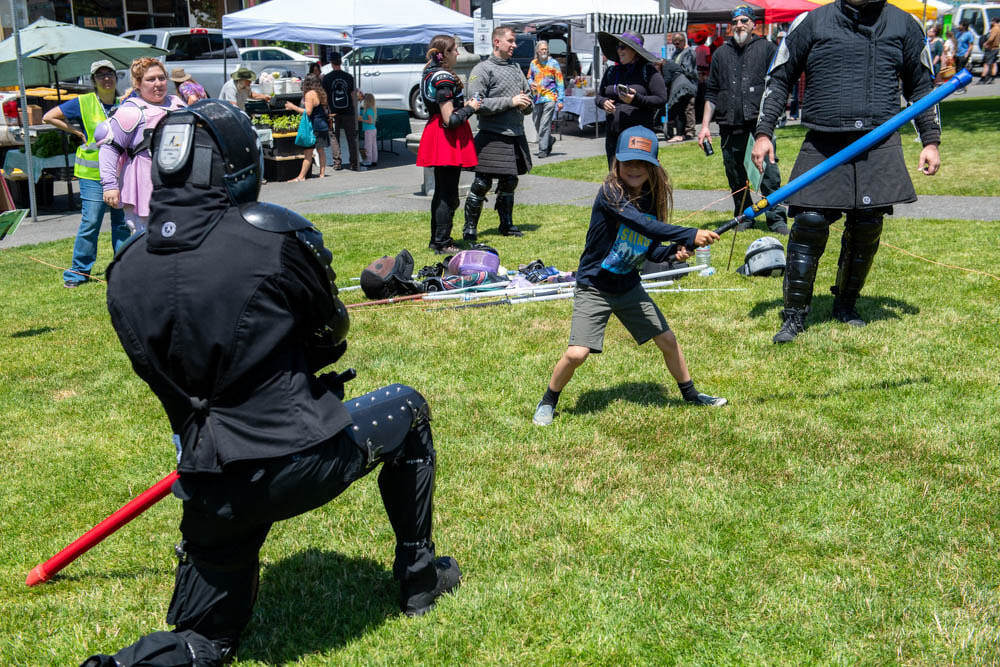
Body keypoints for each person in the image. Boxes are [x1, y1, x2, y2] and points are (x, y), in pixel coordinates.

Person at [81, 100, 461, 666]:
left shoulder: (124, 270)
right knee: (409, 408)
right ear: (237, 163)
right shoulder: (272, 241)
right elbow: (331, 336)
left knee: (205, 643)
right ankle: (419, 574)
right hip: (296, 461)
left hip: (210, 483)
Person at [752, 0, 942, 344]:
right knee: (809, 221)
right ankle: (794, 315)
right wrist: (764, 132)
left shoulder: (905, 25)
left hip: (878, 141)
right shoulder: (810, 22)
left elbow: (923, 86)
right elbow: (779, 79)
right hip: (824, 141)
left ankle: (846, 303)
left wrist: (930, 140)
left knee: (867, 225)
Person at [531, 126, 727, 428]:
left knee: (668, 339)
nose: (634, 169)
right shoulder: (611, 193)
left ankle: (691, 395)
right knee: (577, 353)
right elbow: (643, 227)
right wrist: (691, 233)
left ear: (653, 167)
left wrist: (673, 253)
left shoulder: (650, 200)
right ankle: (548, 400)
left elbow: (647, 249)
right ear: (616, 164)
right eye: (628, 162)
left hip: (627, 285)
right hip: (594, 286)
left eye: (641, 163)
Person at [698, 5, 789, 235]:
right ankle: (744, 215)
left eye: (744, 20)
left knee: (769, 173)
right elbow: (712, 92)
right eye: (736, 21)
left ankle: (775, 218)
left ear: (753, 24)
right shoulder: (720, 54)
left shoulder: (767, 48)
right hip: (729, 123)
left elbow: (777, 86)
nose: (739, 25)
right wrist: (705, 126)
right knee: (736, 175)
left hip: (759, 124)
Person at [42, 60, 130, 288]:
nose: (106, 78)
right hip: (93, 175)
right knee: (91, 221)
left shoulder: (125, 103)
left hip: (121, 174)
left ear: (116, 77)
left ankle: (124, 269)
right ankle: (78, 272)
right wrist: (75, 131)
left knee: (122, 224)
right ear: (93, 81)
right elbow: (49, 116)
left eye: (109, 74)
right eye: (100, 75)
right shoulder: (84, 102)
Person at [97, 57, 186, 235]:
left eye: (161, 78)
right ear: (138, 83)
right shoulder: (131, 111)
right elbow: (109, 148)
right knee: (145, 240)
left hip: (178, 184)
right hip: (143, 186)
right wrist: (109, 186)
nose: (158, 84)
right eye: (150, 79)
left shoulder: (178, 104)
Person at [462, 26, 533, 242]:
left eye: (514, 41)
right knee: (482, 183)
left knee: (509, 182)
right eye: (510, 41)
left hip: (515, 133)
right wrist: (511, 102)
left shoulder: (516, 68)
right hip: (492, 134)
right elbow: (476, 103)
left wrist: (526, 104)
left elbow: (527, 97)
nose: (514, 45)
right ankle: (470, 228)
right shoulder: (482, 69)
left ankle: (506, 225)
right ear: (497, 42)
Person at [416, 35, 481, 254]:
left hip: (440, 134)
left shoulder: (430, 71)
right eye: (455, 50)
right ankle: (442, 242)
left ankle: (439, 239)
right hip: (445, 136)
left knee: (443, 191)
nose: (458, 54)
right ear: (445, 54)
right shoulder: (442, 76)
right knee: (447, 192)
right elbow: (450, 119)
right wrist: (471, 107)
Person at [595, 32, 668, 168]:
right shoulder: (611, 71)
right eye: (618, 47)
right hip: (614, 135)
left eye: (623, 47)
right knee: (615, 176)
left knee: (637, 176)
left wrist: (636, 99)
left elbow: (661, 99)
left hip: (638, 136)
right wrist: (603, 102)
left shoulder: (648, 71)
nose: (619, 50)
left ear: (635, 51)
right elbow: (599, 96)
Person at [284, 73, 330, 181]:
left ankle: (301, 177)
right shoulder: (321, 93)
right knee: (321, 151)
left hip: (313, 127)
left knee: (308, 153)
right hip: (322, 125)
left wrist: (293, 107)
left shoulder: (309, 94)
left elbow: (308, 112)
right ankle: (322, 174)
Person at [322, 52, 361, 171]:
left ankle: (337, 163)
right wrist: (354, 110)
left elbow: (325, 96)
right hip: (349, 111)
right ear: (340, 62)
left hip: (333, 112)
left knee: (334, 137)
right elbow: (354, 95)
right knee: (352, 138)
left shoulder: (327, 78)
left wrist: (327, 110)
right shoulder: (349, 77)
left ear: (331, 63)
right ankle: (354, 163)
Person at [528, 40, 565, 158]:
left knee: (544, 124)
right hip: (537, 97)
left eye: (546, 49)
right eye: (542, 49)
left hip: (550, 97)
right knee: (536, 122)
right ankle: (549, 139)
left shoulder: (554, 63)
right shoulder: (533, 63)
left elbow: (560, 82)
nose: (544, 51)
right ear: (537, 51)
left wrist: (560, 100)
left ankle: (543, 149)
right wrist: (531, 83)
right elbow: (529, 77)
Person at [667, 33, 697, 143]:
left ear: (683, 41)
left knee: (688, 108)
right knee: (680, 109)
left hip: (688, 85)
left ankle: (690, 131)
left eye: (678, 43)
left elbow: (688, 69)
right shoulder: (676, 52)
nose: (676, 46)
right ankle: (683, 131)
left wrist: (675, 68)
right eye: (674, 44)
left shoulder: (689, 52)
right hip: (678, 85)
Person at [978, 17, 999, 85]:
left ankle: (983, 79)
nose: (991, 22)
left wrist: (986, 43)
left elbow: (991, 38)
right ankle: (992, 78)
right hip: (996, 48)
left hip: (991, 48)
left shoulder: (995, 29)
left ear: (994, 21)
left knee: (986, 64)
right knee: (994, 63)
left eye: (992, 21)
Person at [359, 93, 378, 168]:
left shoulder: (368, 110)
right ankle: (374, 160)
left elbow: (370, 121)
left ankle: (368, 161)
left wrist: (361, 119)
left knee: (368, 146)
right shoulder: (372, 109)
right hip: (373, 129)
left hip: (369, 130)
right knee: (373, 146)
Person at [955, 20, 975, 84]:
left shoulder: (968, 34)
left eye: (960, 25)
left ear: (964, 26)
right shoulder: (958, 33)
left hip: (963, 53)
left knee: (961, 69)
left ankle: (962, 83)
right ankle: (958, 82)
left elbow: (971, 45)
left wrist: (967, 53)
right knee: (957, 69)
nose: (959, 26)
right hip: (957, 53)